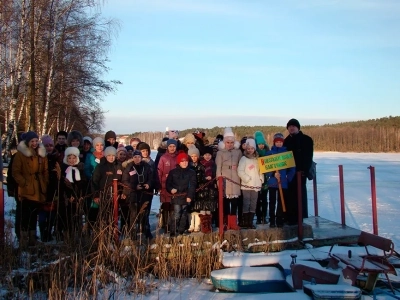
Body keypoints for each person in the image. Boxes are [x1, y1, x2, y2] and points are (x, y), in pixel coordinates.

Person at [12, 131, 49, 248]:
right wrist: (24, 183)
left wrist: (44, 182)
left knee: (33, 215)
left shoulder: (41, 155)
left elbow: (45, 170)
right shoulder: (20, 155)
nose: (34, 143)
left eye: (36, 141)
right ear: (27, 142)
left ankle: (33, 239)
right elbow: (15, 172)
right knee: (24, 215)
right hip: (25, 189)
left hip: (37, 189)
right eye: (32, 141)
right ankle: (23, 240)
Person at [283, 118, 314, 224]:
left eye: (293, 126)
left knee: (299, 195)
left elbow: (308, 157)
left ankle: (299, 217)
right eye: (289, 127)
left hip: (300, 172)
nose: (291, 128)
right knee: (289, 195)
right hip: (288, 173)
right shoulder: (286, 141)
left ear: (298, 127)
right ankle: (289, 217)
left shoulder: (306, 140)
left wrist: (304, 170)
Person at [121, 150, 154, 239]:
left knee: (145, 213)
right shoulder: (129, 167)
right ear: (132, 158)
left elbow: (151, 177)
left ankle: (146, 230)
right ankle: (133, 233)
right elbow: (125, 180)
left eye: (139, 157)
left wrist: (149, 184)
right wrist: (134, 186)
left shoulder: (146, 166)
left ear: (141, 158)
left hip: (145, 193)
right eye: (135, 157)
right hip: (133, 193)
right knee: (133, 214)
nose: (137, 159)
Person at [265, 133, 295, 228]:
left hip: (283, 183)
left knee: (281, 202)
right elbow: (265, 168)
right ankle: (272, 220)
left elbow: (292, 168)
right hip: (273, 182)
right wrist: (273, 174)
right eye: (277, 142)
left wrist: (287, 178)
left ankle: (279, 219)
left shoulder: (286, 154)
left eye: (280, 142)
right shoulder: (270, 153)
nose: (278, 143)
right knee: (272, 201)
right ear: (274, 142)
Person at [215, 127, 242, 230]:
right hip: (225, 179)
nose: (230, 144)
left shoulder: (238, 152)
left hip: (235, 178)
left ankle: (233, 222)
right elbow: (218, 168)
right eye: (228, 142)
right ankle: (225, 222)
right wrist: (219, 180)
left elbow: (241, 164)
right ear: (224, 143)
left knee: (234, 202)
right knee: (226, 203)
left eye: (231, 142)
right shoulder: (220, 153)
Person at [58, 147, 87, 240]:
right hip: (66, 198)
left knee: (77, 215)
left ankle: (76, 234)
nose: (72, 160)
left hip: (77, 197)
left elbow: (81, 184)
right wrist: (69, 195)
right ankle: (67, 235)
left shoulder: (79, 170)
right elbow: (62, 185)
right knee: (67, 217)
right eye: (69, 158)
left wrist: (78, 195)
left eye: (74, 158)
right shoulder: (63, 169)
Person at [166, 150, 196, 236]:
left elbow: (192, 185)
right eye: (182, 161)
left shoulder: (191, 172)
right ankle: (173, 231)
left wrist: (190, 196)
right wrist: (171, 189)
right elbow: (168, 184)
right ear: (179, 162)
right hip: (176, 196)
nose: (184, 163)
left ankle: (181, 230)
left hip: (186, 195)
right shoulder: (173, 172)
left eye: (186, 161)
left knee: (184, 213)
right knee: (177, 213)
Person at [237, 138, 264, 229]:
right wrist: (247, 178)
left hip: (256, 185)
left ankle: (250, 222)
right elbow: (240, 171)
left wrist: (261, 179)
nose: (250, 150)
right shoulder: (243, 159)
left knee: (253, 203)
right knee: (246, 203)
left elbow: (261, 170)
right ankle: (245, 221)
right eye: (248, 148)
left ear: (254, 149)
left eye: (252, 148)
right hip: (247, 185)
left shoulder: (257, 159)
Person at [157, 139, 178, 232]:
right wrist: (159, 186)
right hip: (164, 185)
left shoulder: (178, 157)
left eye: (174, 146)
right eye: (170, 146)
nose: (172, 148)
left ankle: (173, 225)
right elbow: (159, 172)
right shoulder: (163, 158)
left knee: (174, 206)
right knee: (166, 206)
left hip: (175, 185)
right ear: (167, 147)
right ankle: (165, 225)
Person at [254, 130, 270, 224]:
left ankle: (264, 216)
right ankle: (259, 217)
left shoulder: (268, 152)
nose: (261, 145)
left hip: (265, 179)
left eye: (262, 144)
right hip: (256, 180)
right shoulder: (254, 154)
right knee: (257, 199)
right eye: (259, 144)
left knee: (264, 199)